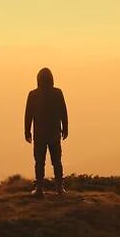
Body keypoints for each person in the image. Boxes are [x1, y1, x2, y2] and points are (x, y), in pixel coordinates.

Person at [24, 67, 68, 197]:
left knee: (39, 161)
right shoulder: (57, 93)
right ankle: (59, 188)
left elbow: (28, 115)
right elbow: (63, 112)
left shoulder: (33, 94)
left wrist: (27, 131)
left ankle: (39, 188)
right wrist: (65, 128)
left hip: (40, 134)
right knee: (57, 160)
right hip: (54, 132)